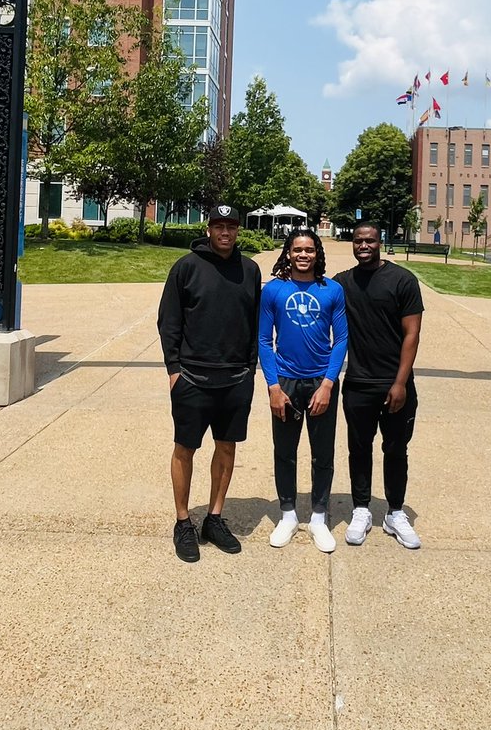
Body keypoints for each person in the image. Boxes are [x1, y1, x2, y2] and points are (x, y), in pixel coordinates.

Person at [157, 204, 261, 563]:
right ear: (209, 230)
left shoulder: (250, 270)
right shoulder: (186, 267)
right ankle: (183, 521)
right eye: (219, 226)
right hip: (192, 377)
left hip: (235, 378)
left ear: (238, 230)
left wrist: (250, 368)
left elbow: (254, 321)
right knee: (184, 449)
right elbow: (168, 321)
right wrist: (174, 370)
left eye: (231, 226)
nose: (225, 233)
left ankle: (214, 518)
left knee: (227, 447)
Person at [335, 221, 424, 549]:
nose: (363, 246)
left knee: (396, 449)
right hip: (358, 383)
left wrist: (400, 382)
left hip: (395, 385)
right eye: (358, 240)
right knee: (359, 449)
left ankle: (395, 512)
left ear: (380, 242)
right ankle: (361, 509)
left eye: (370, 240)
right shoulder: (343, 283)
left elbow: (412, 334)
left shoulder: (403, 280)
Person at [259, 229, 347, 553]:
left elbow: (341, 339)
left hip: (320, 381)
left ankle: (319, 517)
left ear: (317, 253)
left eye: (309, 249)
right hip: (285, 382)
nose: (303, 255)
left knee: (322, 453)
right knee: (284, 451)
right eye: (297, 249)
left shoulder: (332, 290)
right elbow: (263, 340)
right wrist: (272, 386)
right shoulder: (274, 290)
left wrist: (328, 383)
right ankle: (288, 514)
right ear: (288, 253)